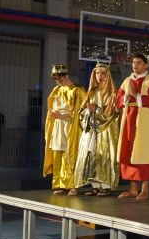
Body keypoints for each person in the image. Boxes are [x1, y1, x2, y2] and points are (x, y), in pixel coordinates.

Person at [116, 53, 149, 201]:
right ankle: (132, 189)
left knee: (143, 154)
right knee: (129, 153)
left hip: (144, 126)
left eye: (139, 63)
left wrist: (135, 94)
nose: (135, 66)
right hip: (129, 122)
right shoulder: (126, 81)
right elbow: (118, 101)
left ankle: (145, 189)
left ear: (146, 65)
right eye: (133, 63)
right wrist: (126, 97)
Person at [73, 63, 120, 196]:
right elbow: (81, 113)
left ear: (108, 75)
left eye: (103, 73)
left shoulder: (112, 94)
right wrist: (89, 111)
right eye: (97, 73)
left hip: (106, 131)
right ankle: (95, 186)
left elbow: (112, 115)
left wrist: (96, 111)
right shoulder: (91, 93)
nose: (100, 76)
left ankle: (105, 186)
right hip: (91, 130)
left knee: (105, 156)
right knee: (92, 155)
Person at [43, 64, 86, 195]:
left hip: (70, 125)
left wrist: (61, 115)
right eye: (56, 79)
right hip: (57, 125)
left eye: (60, 78)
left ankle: (72, 184)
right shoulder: (56, 90)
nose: (58, 81)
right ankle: (60, 183)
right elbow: (51, 106)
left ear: (66, 76)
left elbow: (80, 111)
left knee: (70, 154)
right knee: (57, 154)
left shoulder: (77, 90)